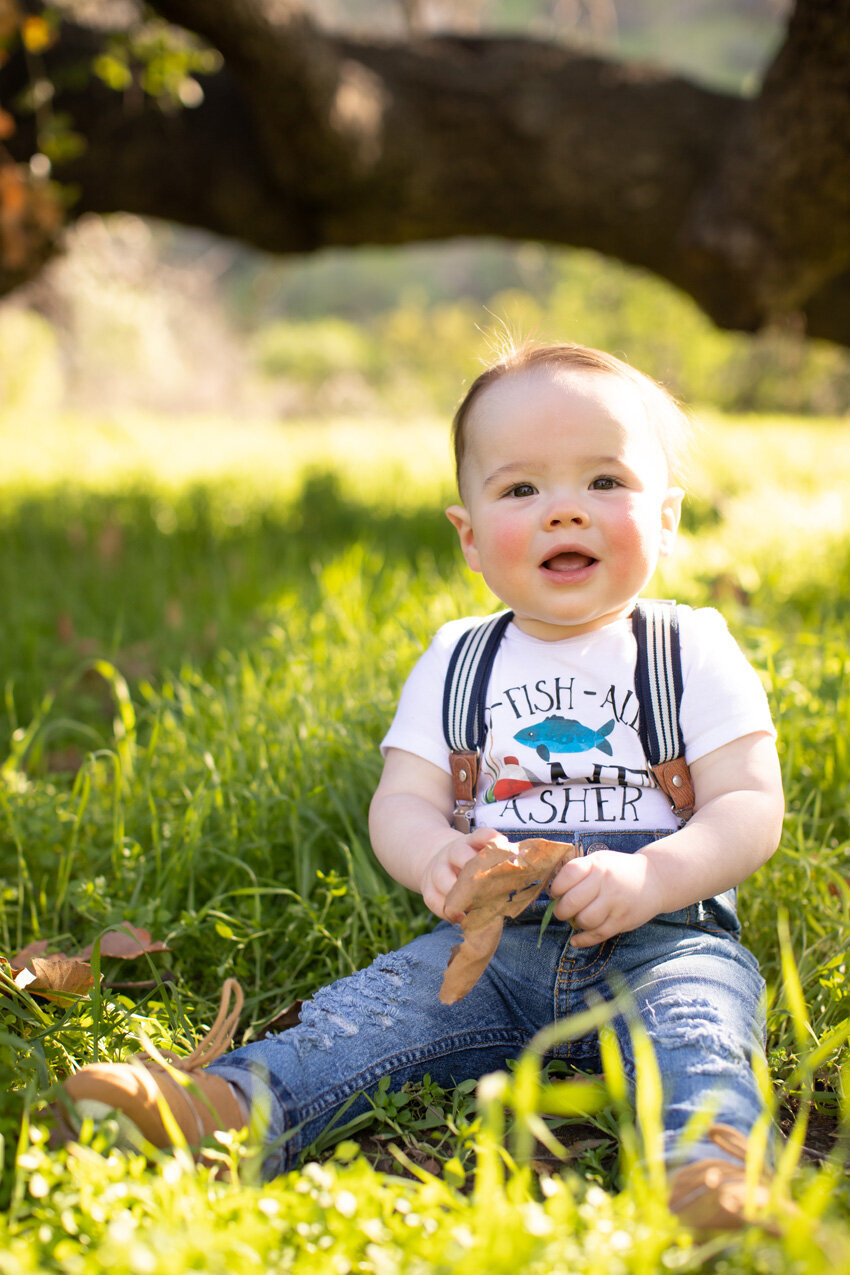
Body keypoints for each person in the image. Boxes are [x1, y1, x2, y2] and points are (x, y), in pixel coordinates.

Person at [60, 342, 785, 1230]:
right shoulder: (457, 659)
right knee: (366, 1018)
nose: (565, 511)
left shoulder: (690, 646)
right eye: (522, 490)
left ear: (666, 517)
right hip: (491, 943)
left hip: (664, 939)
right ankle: (226, 1107)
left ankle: (707, 1171)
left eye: (605, 482)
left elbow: (750, 806)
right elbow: (401, 800)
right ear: (470, 536)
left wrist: (658, 877)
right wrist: (437, 856)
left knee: (700, 1035)